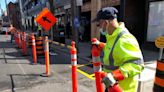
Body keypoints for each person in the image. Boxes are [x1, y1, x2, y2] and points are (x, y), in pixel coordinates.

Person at [92, 7, 144, 92]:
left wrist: (114, 75)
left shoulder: (124, 39)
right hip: (112, 85)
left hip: (122, 89)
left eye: (99, 24)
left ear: (106, 23)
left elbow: (137, 64)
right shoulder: (113, 36)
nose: (99, 27)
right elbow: (115, 50)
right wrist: (102, 45)